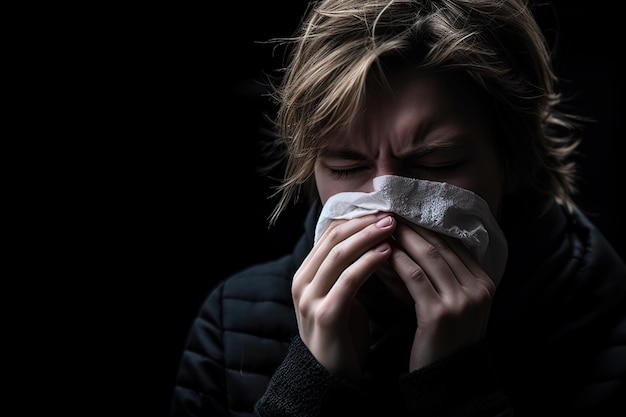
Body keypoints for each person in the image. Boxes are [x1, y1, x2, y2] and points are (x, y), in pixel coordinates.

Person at [171, 0, 626, 416]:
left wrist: (453, 387)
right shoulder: (230, 326)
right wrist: (308, 387)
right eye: (347, 166)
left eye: (435, 162)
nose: (387, 206)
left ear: (513, 158)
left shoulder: (608, 322)